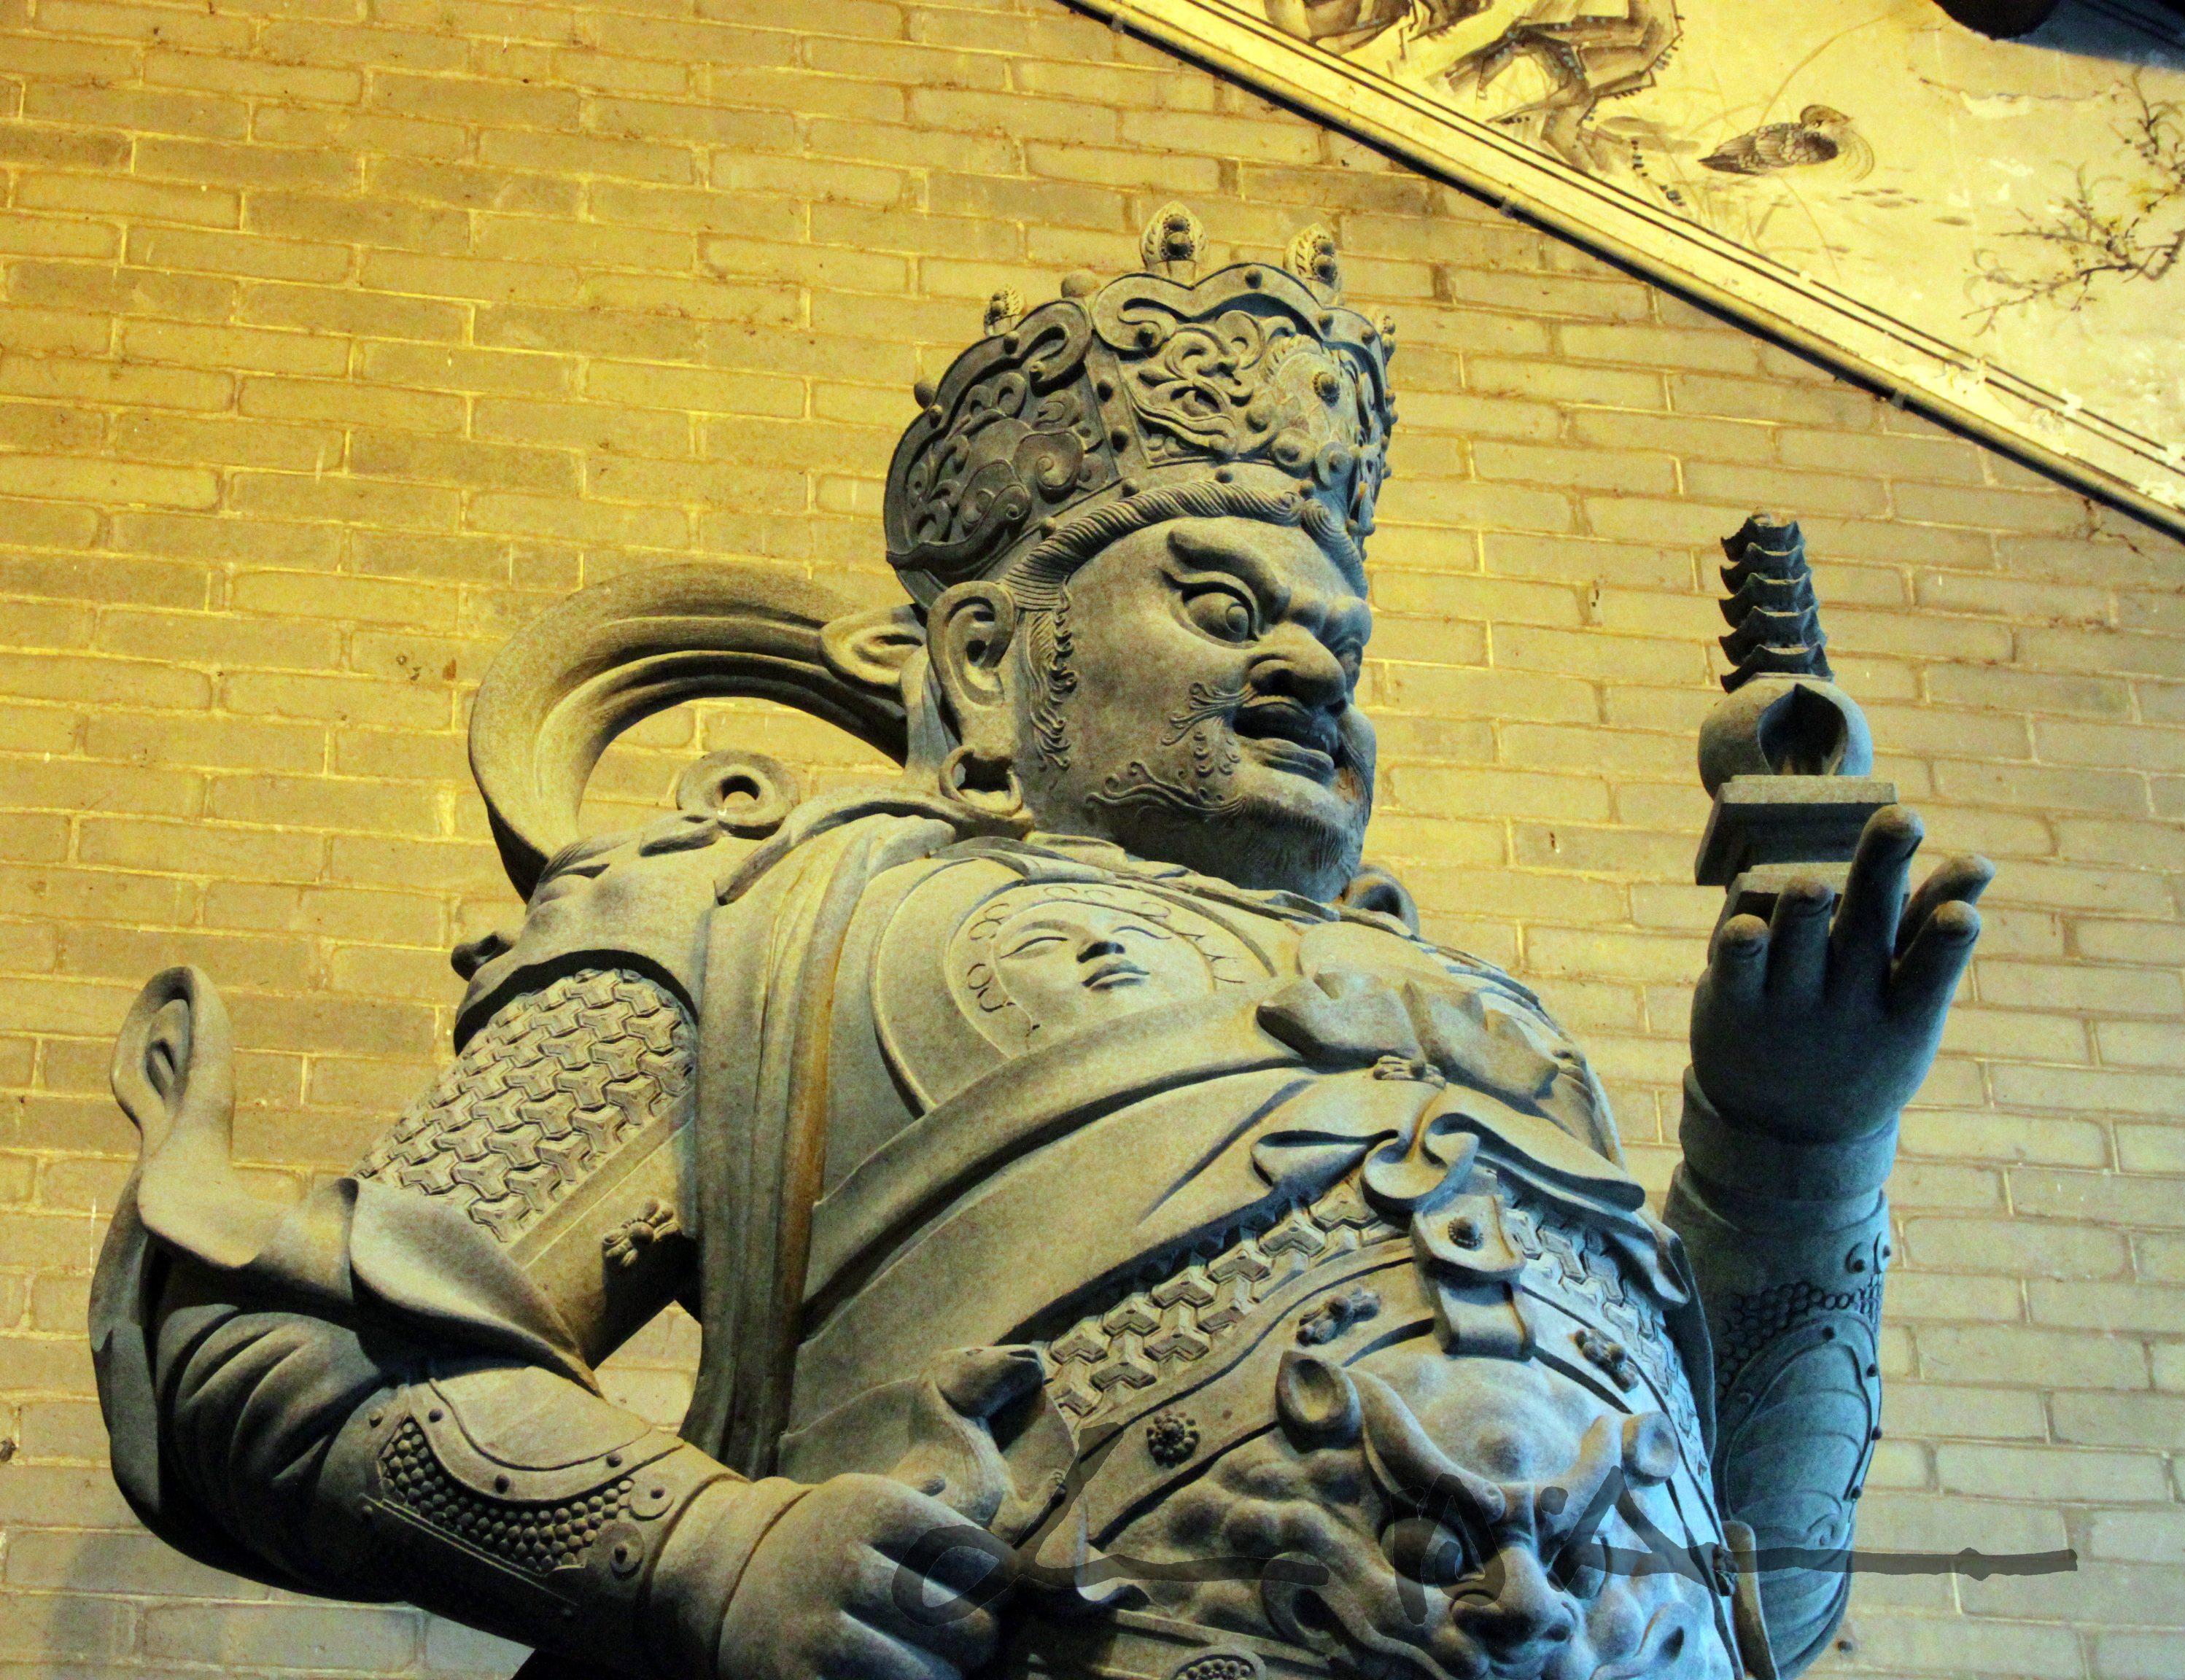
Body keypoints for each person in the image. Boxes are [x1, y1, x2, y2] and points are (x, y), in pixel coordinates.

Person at [90, 208, 1987, 1680]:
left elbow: (1761, 1595)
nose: (1313, 661)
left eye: (1344, 639)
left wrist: (1800, 1151)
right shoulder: (772, 912)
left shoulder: (1498, 1036)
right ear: (993, 658)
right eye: (1223, 602)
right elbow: (266, 1357)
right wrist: (696, 1553)